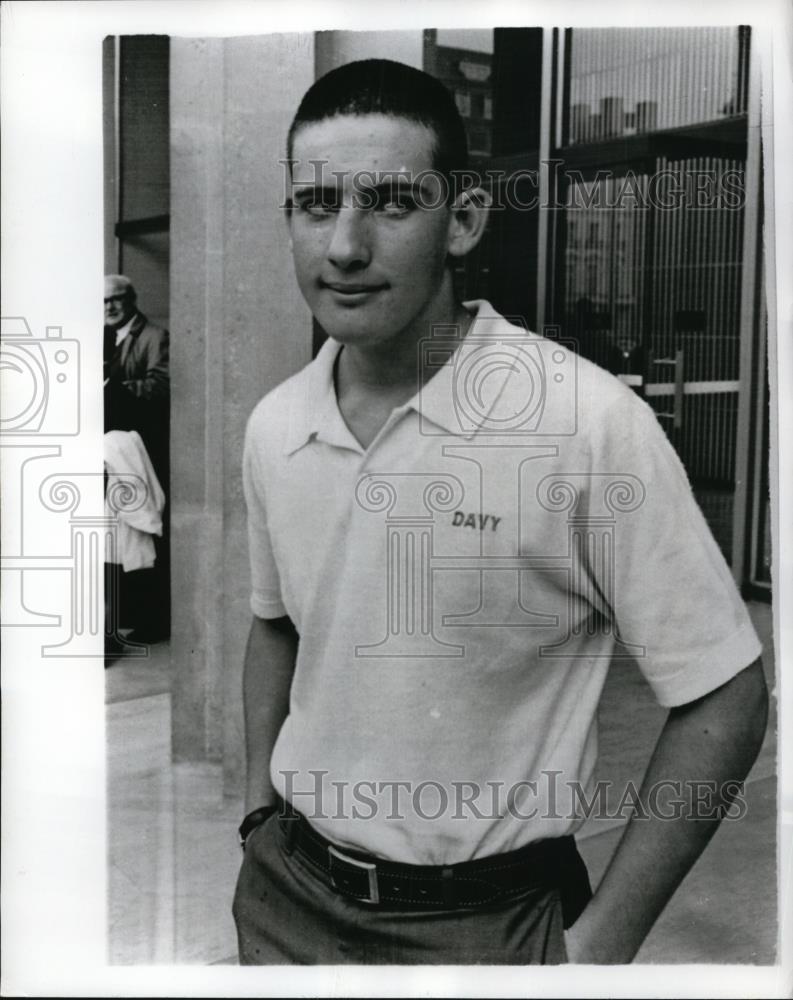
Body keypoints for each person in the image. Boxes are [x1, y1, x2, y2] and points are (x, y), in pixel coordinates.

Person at [232, 59, 768, 965]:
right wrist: (256, 812)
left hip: (488, 926)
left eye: (392, 203)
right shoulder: (276, 423)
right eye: (317, 204)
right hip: (286, 900)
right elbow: (275, 626)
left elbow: (726, 694)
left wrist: (600, 947)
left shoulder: (583, 424)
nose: (345, 246)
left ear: (465, 220)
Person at [103, 274, 171, 646]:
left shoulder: (155, 336)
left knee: (141, 535)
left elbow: (160, 385)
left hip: (142, 450)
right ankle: (125, 618)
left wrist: (111, 390)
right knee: (115, 540)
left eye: (115, 300)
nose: (108, 308)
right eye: (102, 302)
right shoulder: (103, 336)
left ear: (132, 299)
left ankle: (151, 622)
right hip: (112, 454)